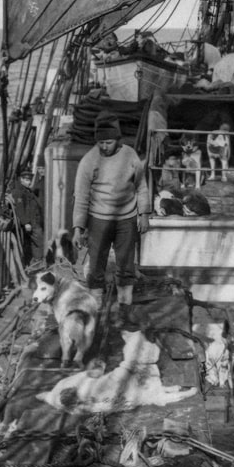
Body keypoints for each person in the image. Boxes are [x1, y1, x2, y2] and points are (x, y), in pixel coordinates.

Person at [72, 112, 151, 322]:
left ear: (118, 140)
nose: (104, 146)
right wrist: (78, 228)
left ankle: (125, 309)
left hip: (126, 218)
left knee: (126, 265)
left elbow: (142, 186)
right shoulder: (89, 160)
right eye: (100, 142)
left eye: (108, 142)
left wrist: (144, 214)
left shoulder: (130, 155)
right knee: (96, 265)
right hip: (98, 219)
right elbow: (81, 196)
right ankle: (95, 308)